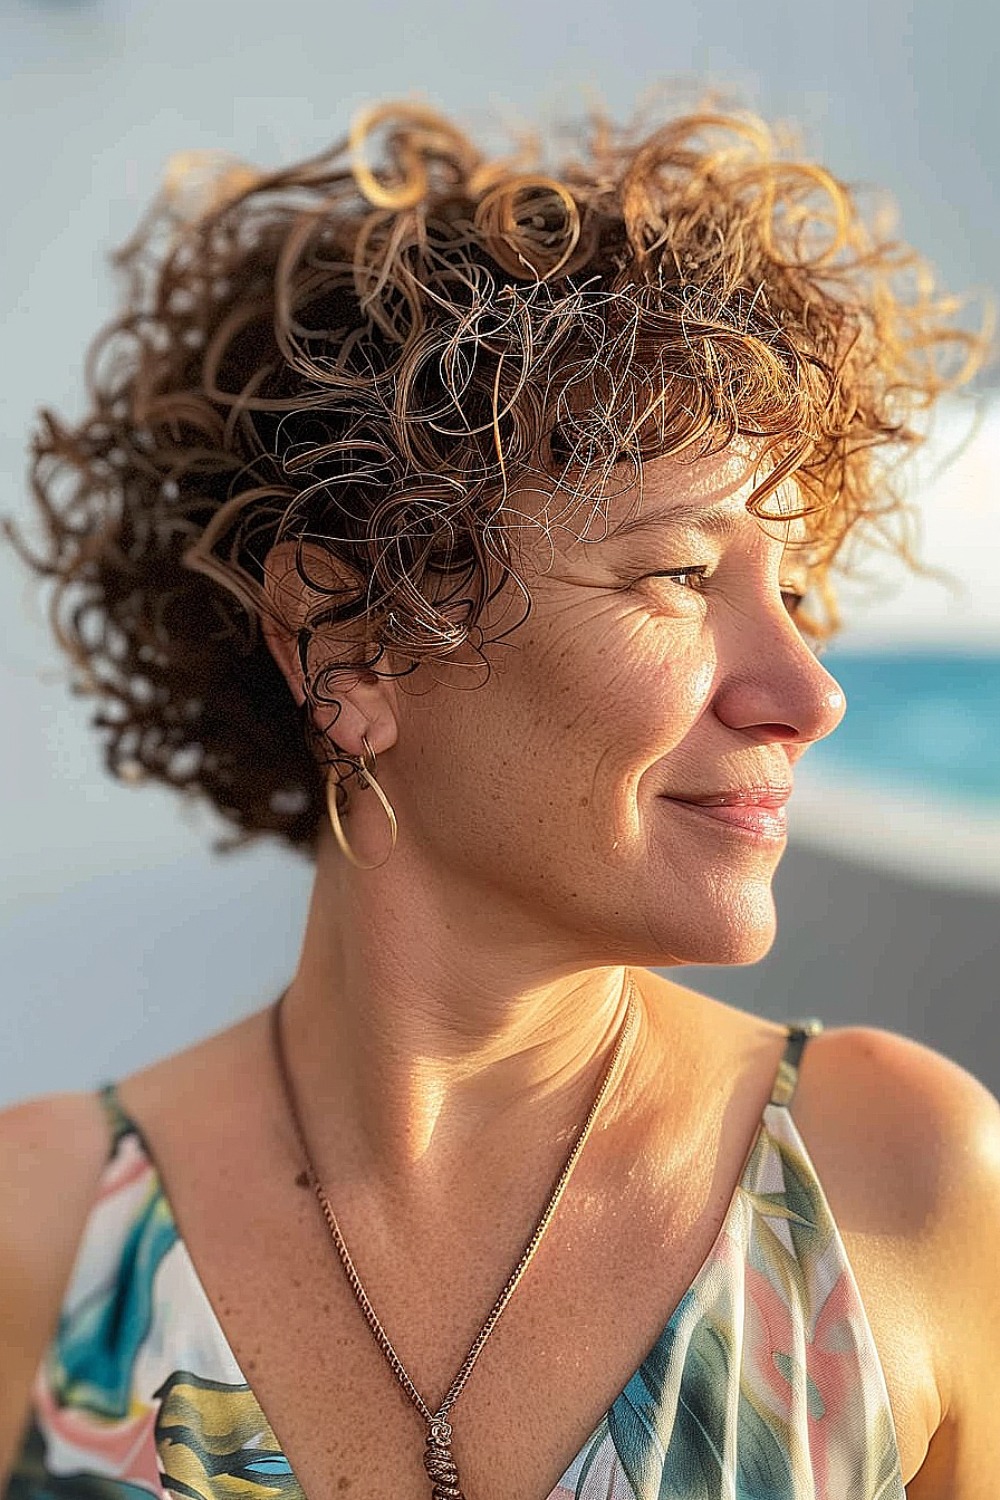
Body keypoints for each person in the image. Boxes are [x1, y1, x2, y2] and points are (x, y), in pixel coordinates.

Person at [0, 93, 997, 1500]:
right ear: (351, 641)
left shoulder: (899, 1183)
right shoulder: (35, 1239)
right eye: (680, 576)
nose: (811, 692)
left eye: (795, 586)